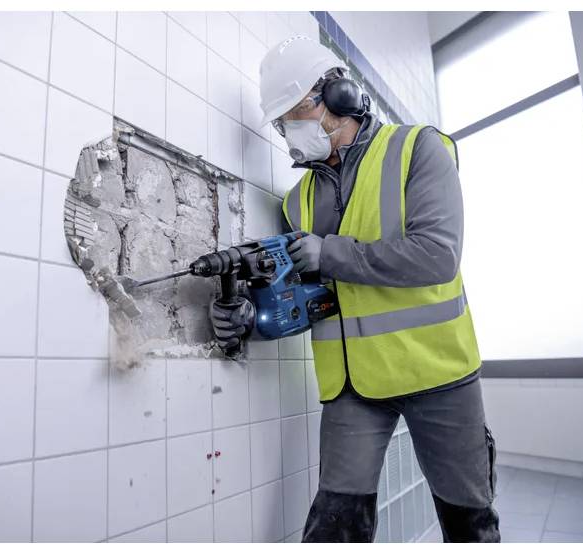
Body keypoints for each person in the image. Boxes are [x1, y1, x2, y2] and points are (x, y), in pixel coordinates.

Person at [209, 35, 501, 543]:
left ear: (339, 96)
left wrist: (332, 253)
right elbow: (307, 299)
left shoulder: (418, 149)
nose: (287, 131)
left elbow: (437, 255)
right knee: (334, 527)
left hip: (438, 371)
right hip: (353, 386)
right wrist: (249, 321)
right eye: (280, 124)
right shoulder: (298, 200)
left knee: (469, 524)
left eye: (294, 114)